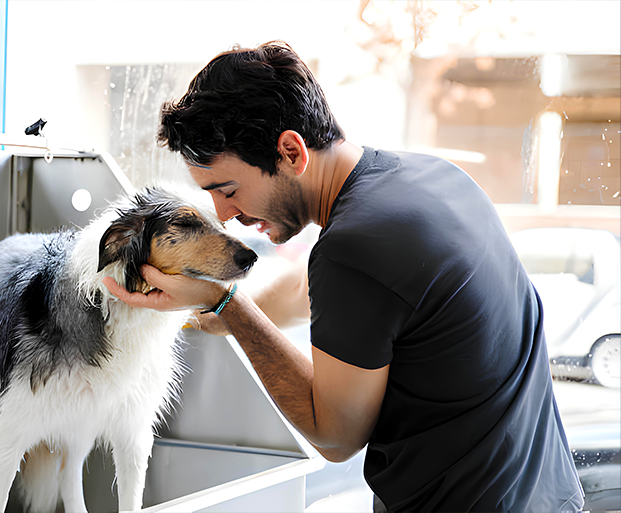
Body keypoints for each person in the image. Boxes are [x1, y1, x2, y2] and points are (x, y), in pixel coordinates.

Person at [103, 41, 584, 512]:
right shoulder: (430, 178)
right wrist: (205, 315)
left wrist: (230, 305)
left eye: (227, 190)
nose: (224, 215)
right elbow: (305, 291)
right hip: (551, 494)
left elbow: (334, 434)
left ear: (291, 152)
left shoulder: (354, 247)